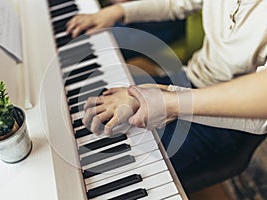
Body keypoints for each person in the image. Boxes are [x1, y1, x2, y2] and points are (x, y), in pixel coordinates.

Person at [67, 0, 267, 193]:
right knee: (83, 112)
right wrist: (117, 11)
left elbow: (260, 118)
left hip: (227, 124)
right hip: (187, 82)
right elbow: (177, 4)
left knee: (105, 173)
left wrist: (167, 100)